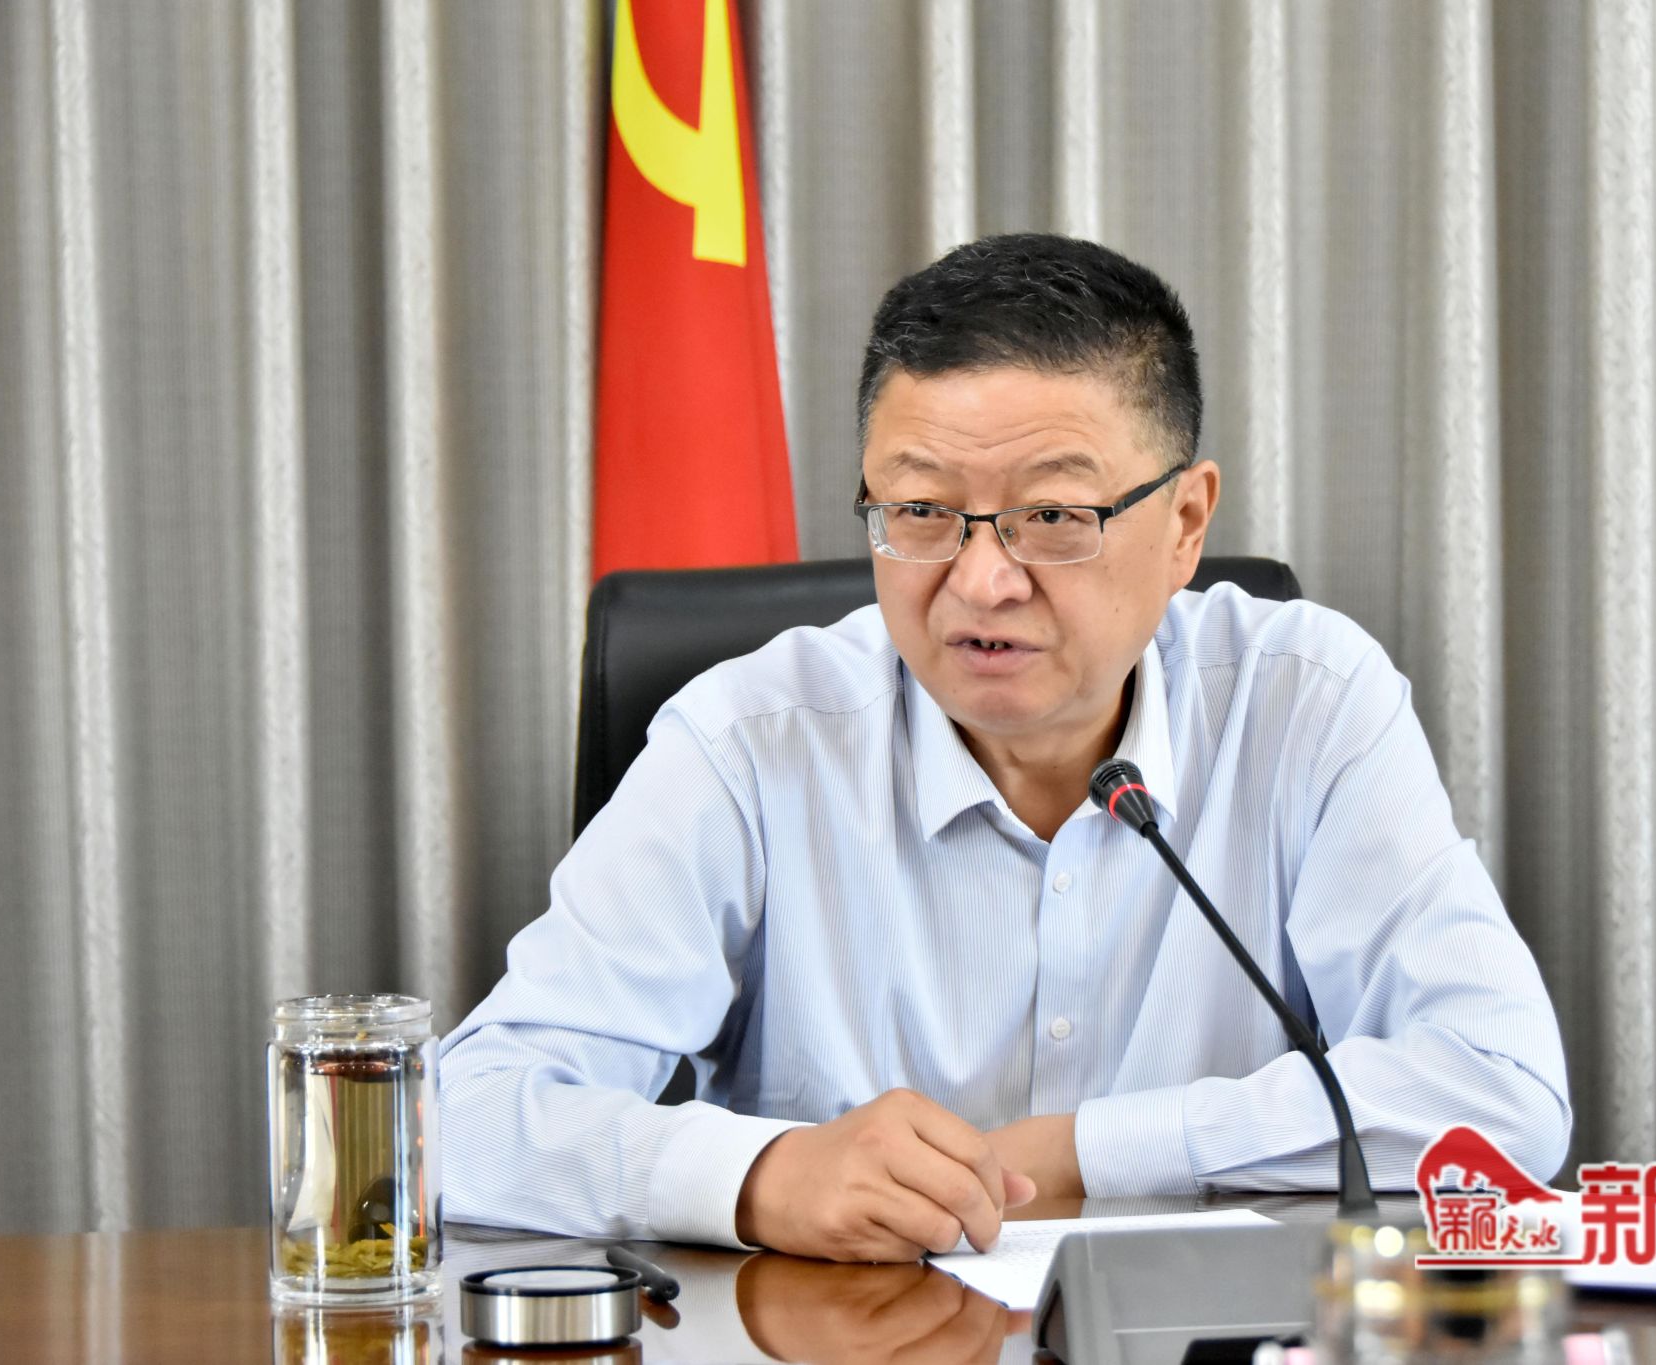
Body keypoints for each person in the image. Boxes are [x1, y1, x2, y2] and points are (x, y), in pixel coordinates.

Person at [440, 233, 1569, 1262]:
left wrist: (1084, 1151)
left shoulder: (1305, 705)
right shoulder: (749, 744)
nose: (981, 581)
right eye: (921, 512)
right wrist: (759, 1176)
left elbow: (1501, 1090)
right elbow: (465, 1114)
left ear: (1184, 523)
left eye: (1054, 518)